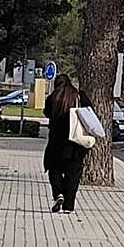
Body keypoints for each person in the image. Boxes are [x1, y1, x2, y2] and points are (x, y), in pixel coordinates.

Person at [42, 75, 92, 215]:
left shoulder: (52, 98)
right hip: (75, 143)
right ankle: (68, 205)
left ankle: (58, 193)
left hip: (56, 143)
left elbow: (46, 113)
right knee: (73, 174)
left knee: (54, 169)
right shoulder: (79, 97)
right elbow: (90, 113)